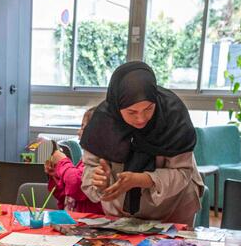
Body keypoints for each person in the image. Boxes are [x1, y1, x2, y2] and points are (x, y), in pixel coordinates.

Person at [80, 62, 204, 223]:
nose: (141, 118)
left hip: (173, 209)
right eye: (131, 112)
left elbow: (183, 172)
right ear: (117, 106)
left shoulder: (173, 117)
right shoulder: (102, 123)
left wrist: (141, 180)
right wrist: (99, 181)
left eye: (149, 108)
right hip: (120, 214)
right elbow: (91, 168)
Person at [45, 106, 101, 214]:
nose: (78, 132)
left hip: (88, 225)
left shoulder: (100, 161)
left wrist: (62, 162)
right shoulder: (85, 159)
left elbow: (76, 185)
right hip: (73, 221)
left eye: (83, 127)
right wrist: (57, 176)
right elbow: (68, 195)